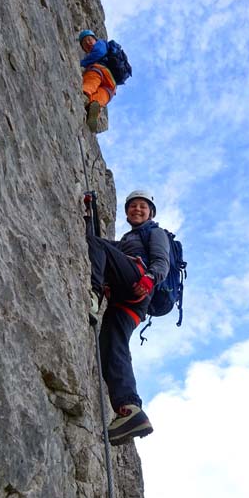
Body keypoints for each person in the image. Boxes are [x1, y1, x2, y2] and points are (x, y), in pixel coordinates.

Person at [85, 190, 170, 445]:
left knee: (99, 246)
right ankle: (129, 409)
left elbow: (162, 260)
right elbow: (94, 244)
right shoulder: (127, 241)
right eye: (133, 206)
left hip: (138, 284)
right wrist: (90, 215)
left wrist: (151, 277)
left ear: (151, 212)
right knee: (111, 345)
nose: (137, 209)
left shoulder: (155, 233)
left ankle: (93, 294)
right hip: (128, 304)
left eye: (143, 206)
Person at [78, 29, 117, 132]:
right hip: (111, 84)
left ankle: (85, 94)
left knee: (91, 81)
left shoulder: (101, 44)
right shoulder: (106, 49)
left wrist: (82, 63)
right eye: (85, 44)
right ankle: (93, 109)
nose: (88, 43)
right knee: (102, 97)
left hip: (100, 70)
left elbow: (99, 53)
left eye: (89, 39)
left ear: (95, 39)